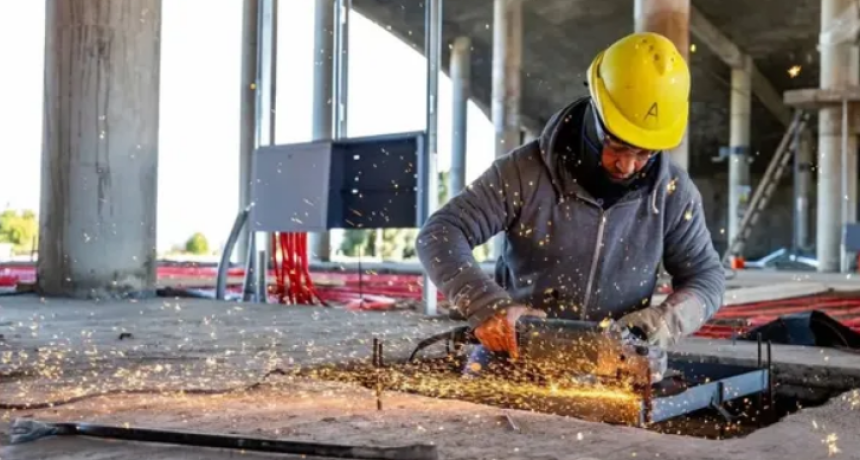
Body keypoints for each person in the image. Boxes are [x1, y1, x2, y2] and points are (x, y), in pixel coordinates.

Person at [415, 32, 725, 381]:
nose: (627, 166)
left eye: (644, 153)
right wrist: (489, 307)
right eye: (618, 146)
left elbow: (707, 278)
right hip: (517, 358)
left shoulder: (672, 192)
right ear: (595, 115)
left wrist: (663, 323)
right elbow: (440, 233)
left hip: (618, 366)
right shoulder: (525, 172)